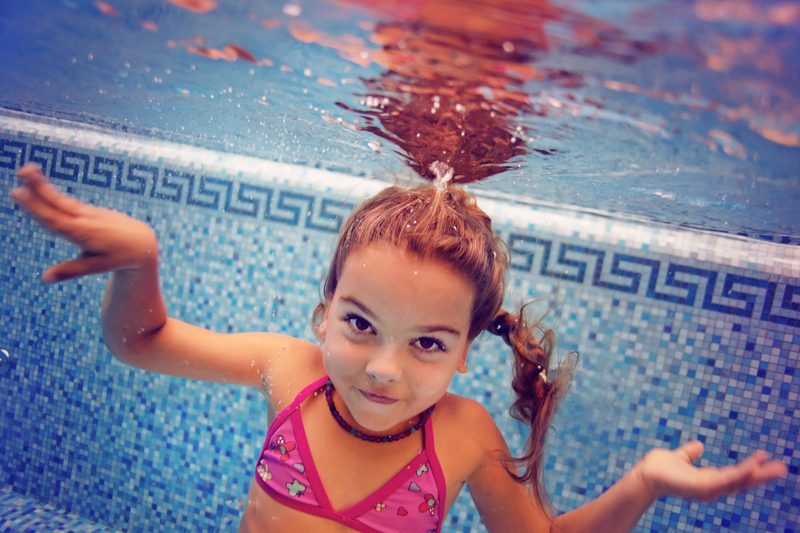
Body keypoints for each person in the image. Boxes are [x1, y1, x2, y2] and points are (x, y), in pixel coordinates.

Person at [10, 162, 787, 533]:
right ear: (323, 314)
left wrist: (642, 484)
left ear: (464, 353)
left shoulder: (462, 434)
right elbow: (140, 341)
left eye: (427, 343)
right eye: (359, 324)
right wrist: (140, 261)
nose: (384, 368)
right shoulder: (290, 369)